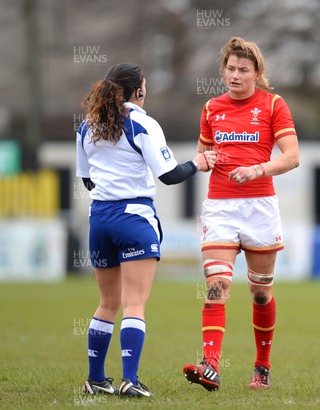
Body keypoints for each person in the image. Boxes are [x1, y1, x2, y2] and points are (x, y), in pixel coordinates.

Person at [76, 63, 217, 398]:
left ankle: (96, 379)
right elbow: (168, 174)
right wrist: (198, 163)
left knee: (106, 303)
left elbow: (87, 178)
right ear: (138, 90)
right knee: (134, 304)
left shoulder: (87, 125)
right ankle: (129, 380)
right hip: (134, 217)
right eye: (145, 87)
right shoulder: (142, 122)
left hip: (99, 218)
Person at [182, 37, 299, 391]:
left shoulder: (273, 104)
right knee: (216, 286)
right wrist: (204, 160)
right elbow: (204, 154)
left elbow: (292, 156)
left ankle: (262, 366)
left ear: (257, 73)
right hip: (220, 206)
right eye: (230, 69)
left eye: (242, 70)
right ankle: (210, 365)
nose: (234, 75)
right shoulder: (211, 108)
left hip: (260, 206)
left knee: (260, 292)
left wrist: (257, 169)